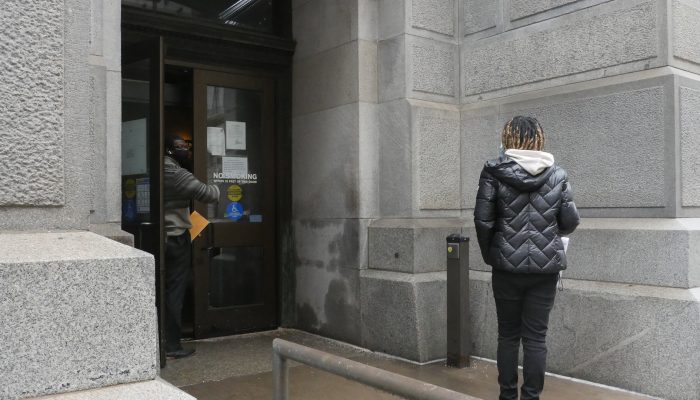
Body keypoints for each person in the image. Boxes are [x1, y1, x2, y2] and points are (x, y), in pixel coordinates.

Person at [473, 116, 580, 400]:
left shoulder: (493, 172)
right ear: (539, 139)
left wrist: (493, 255)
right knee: (536, 339)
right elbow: (569, 221)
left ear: (508, 139)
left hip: (506, 268)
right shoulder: (558, 175)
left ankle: (507, 396)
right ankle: (531, 397)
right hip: (545, 271)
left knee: (508, 335)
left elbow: (483, 222)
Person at [163, 135, 220, 358]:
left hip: (157, 237)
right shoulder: (175, 173)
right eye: (179, 147)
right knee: (175, 292)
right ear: (169, 149)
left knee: (163, 290)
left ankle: (161, 341)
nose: (184, 149)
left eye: (186, 145)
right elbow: (209, 195)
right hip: (175, 237)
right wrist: (219, 181)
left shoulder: (155, 166)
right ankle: (172, 346)